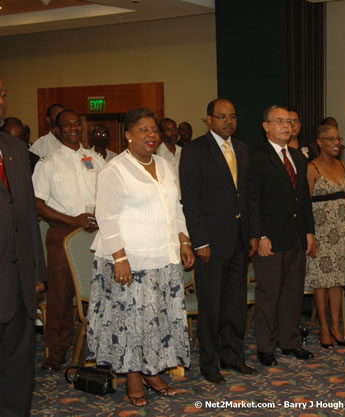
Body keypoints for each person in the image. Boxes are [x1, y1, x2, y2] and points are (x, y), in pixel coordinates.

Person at [87, 108, 194, 407]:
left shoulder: (163, 164)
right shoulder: (116, 169)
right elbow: (105, 217)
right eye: (144, 130)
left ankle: (153, 372)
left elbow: (175, 206)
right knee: (132, 322)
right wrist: (120, 258)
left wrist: (184, 239)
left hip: (164, 257)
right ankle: (134, 377)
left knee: (157, 320)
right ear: (129, 135)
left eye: (154, 130)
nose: (151, 135)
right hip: (131, 261)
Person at [180, 98, 259, 384]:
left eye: (233, 117)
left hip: (239, 240)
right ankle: (209, 363)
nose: (228, 121)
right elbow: (190, 199)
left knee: (236, 304)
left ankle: (233, 357)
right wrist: (199, 241)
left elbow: (249, 195)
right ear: (209, 120)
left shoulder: (242, 148)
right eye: (222, 117)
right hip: (210, 244)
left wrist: (252, 233)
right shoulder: (194, 150)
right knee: (211, 306)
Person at [33, 109, 106, 371]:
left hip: (96, 234)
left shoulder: (96, 160)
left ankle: (100, 344)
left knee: (99, 290)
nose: (74, 128)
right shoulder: (48, 162)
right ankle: (56, 352)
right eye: (68, 125)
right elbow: (37, 203)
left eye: (77, 124)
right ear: (57, 130)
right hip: (63, 234)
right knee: (61, 295)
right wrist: (71, 219)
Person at [251, 105, 317, 367]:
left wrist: (309, 231)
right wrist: (260, 234)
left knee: (293, 293)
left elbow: (304, 200)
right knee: (269, 294)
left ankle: (290, 342)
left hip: (296, 237)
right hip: (271, 238)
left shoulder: (298, 157)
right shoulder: (256, 157)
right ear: (266, 126)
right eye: (279, 121)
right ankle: (266, 347)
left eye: (289, 121)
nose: (286, 126)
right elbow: (252, 200)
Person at [0, 76, 47, 417]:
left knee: (18, 366)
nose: (2, 102)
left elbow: (29, 216)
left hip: (18, 282)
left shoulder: (15, 149)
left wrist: (36, 272)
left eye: (2, 94)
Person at [306, 124, 345, 349]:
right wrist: (310, 236)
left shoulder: (343, 165)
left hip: (343, 232)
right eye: (331, 139)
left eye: (339, 139)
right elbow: (305, 205)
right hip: (321, 232)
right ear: (319, 142)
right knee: (321, 283)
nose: (337, 143)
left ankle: (336, 326)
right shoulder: (312, 168)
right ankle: (324, 328)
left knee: (338, 282)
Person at [156, 118, 182, 184]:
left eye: (174, 128)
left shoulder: (183, 152)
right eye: (168, 130)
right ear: (161, 134)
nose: (173, 133)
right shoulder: (157, 154)